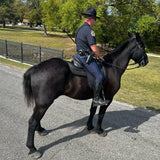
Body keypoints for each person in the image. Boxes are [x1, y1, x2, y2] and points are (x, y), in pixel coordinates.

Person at [75, 7, 108, 106]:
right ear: (91, 18)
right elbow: (94, 48)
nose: (95, 22)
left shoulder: (80, 28)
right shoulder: (90, 31)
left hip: (78, 55)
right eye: (95, 19)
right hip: (85, 58)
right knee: (99, 76)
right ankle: (96, 99)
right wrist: (99, 56)